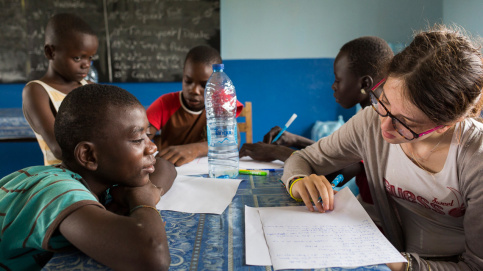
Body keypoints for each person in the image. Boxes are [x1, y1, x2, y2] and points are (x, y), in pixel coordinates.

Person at [281, 25, 483, 270]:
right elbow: (303, 158)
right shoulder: (370, 123)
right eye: (383, 102)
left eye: (405, 123)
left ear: (446, 124)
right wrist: (298, 180)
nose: (384, 127)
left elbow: (475, 265)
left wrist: (401, 264)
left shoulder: (475, 160)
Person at [1, 84, 177, 270]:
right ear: (89, 156)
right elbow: (152, 257)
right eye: (137, 140)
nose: (152, 147)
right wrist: (143, 200)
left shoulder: (99, 178)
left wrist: (137, 188)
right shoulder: (59, 190)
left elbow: (166, 167)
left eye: (148, 135)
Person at [239, 36, 394, 163]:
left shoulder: (381, 123)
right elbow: (338, 154)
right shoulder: (368, 113)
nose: (333, 86)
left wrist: (275, 151)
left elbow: (338, 168)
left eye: (338, 80)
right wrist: (296, 140)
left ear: (365, 83)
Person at [147, 45, 244, 166]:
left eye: (204, 85)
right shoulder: (165, 103)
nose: (194, 90)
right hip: (171, 169)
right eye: (188, 81)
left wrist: (194, 149)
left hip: (208, 170)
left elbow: (234, 141)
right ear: (183, 75)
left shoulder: (222, 103)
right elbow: (142, 135)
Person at [22, 13, 99, 165]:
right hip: (62, 176)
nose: (86, 65)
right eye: (78, 58)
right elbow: (58, 148)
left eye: (90, 58)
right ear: (51, 52)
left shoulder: (90, 87)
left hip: (97, 170)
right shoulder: (37, 91)